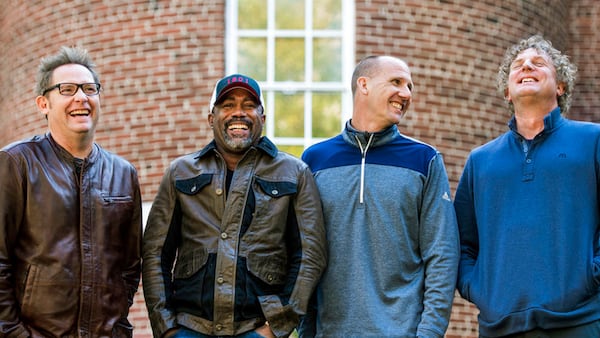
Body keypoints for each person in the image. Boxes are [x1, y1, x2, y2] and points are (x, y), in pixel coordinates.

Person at [142, 73, 327, 338]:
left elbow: (310, 255)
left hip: (258, 329)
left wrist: (276, 328)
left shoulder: (294, 173)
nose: (238, 113)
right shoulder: (180, 172)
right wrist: (167, 328)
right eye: (227, 105)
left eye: (249, 105)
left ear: (262, 117)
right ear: (211, 118)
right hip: (189, 328)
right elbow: (155, 254)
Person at [298, 55, 460, 337]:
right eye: (396, 82)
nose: (406, 93)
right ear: (364, 85)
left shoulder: (424, 160)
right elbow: (304, 252)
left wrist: (429, 333)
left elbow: (442, 253)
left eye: (410, 86)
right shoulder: (315, 160)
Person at [454, 34, 600, 337]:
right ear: (508, 92)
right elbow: (462, 243)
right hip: (500, 326)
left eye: (538, 63)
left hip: (580, 322)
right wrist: (481, 289)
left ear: (560, 86)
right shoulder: (480, 161)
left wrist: (591, 276)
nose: (527, 67)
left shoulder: (593, 141)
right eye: (518, 66)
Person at [0, 46, 143, 337]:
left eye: (90, 88)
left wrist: (116, 325)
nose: (81, 97)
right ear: (43, 104)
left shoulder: (123, 174)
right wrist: (14, 333)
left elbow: (130, 266)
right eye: (67, 89)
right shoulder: (17, 163)